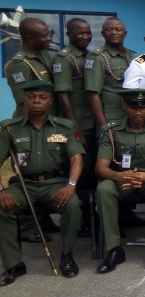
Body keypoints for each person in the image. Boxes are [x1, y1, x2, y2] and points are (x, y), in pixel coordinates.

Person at [0, 80, 84, 286]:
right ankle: (13, 264)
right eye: (31, 97)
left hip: (55, 183)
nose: (37, 101)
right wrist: (1, 191)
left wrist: (70, 186)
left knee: (73, 205)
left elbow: (77, 159)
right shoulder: (10, 129)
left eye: (42, 97)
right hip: (24, 185)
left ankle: (67, 256)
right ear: (24, 100)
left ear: (50, 101)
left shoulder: (64, 127)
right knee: (2, 207)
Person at [93, 88, 145, 273]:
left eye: (143, 107)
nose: (138, 112)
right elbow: (100, 168)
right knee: (104, 190)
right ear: (124, 106)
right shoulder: (111, 131)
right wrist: (120, 176)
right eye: (133, 107)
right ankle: (114, 249)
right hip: (122, 178)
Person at [52, 18, 96, 236]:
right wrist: (74, 128)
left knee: (92, 171)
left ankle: (92, 217)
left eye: (88, 32)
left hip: (92, 122)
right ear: (68, 34)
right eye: (80, 33)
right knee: (81, 173)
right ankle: (83, 220)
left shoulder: (90, 56)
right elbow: (63, 95)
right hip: (78, 125)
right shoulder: (64, 58)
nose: (85, 36)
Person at [85, 17, 137, 127]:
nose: (114, 32)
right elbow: (92, 94)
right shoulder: (97, 57)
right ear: (102, 33)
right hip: (110, 119)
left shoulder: (132, 56)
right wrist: (104, 127)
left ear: (125, 33)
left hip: (132, 118)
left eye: (118, 29)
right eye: (109, 29)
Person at [4, 17, 56, 117]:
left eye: (48, 34)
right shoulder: (19, 64)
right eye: (44, 36)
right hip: (34, 120)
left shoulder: (44, 54)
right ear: (30, 39)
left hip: (49, 117)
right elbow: (23, 103)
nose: (49, 38)